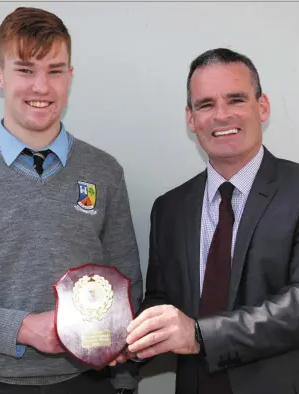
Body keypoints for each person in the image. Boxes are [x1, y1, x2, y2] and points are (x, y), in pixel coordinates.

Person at [0, 7, 142, 394]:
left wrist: (124, 380)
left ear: (70, 77)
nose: (41, 87)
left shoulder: (105, 171)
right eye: (25, 69)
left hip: (86, 381)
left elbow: (128, 286)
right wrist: (24, 328)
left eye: (55, 70)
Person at [123, 48, 299, 393]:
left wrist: (200, 335)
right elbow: (162, 299)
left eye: (236, 99)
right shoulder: (169, 209)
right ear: (190, 119)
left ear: (262, 107)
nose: (221, 115)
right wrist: (121, 340)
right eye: (205, 104)